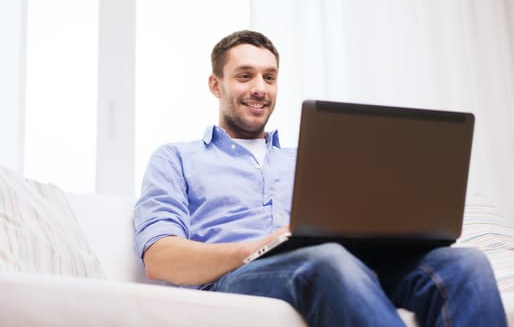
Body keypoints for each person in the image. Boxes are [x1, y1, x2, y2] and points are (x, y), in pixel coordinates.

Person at [134, 30, 506, 326]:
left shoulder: (312, 158)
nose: (260, 88)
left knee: (465, 263)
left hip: (341, 268)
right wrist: (262, 246)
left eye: (269, 77)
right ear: (216, 85)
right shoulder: (177, 157)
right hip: (238, 278)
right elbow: (161, 259)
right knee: (326, 258)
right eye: (245, 76)